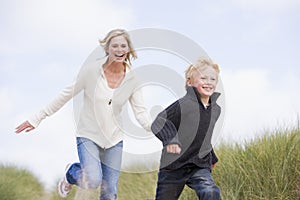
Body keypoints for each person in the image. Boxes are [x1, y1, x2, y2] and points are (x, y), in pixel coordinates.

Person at [15, 29, 152, 199]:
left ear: (129, 49)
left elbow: (141, 112)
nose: (119, 49)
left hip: (114, 140)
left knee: (110, 192)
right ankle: (71, 173)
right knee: (93, 180)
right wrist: (37, 118)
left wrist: (154, 127)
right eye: (114, 45)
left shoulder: (133, 79)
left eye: (123, 46)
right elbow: (65, 94)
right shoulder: (91, 71)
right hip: (88, 135)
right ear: (107, 49)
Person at [151, 58, 221, 200]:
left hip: (199, 165)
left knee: (210, 192)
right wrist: (171, 140)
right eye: (203, 78)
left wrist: (211, 157)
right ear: (189, 82)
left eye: (213, 79)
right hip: (174, 166)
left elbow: (204, 135)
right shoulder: (184, 105)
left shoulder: (215, 110)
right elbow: (159, 121)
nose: (208, 82)